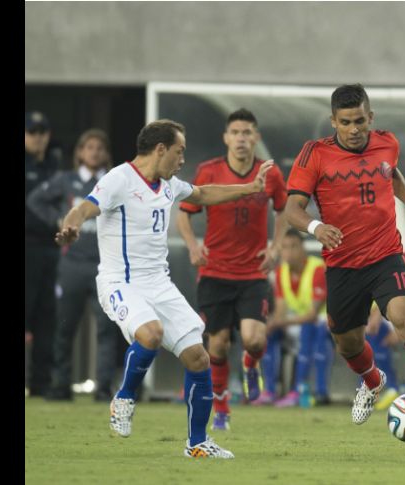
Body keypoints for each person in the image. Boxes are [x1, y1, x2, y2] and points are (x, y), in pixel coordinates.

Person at [56, 119, 273, 458]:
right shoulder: (119, 179)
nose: (182, 159)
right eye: (179, 151)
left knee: (198, 357)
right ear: (160, 150)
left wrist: (249, 188)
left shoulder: (168, 183)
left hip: (159, 284)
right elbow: (84, 207)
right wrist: (71, 225)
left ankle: (198, 443)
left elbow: (202, 193)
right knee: (151, 333)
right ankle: (124, 397)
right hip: (120, 282)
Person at [284, 84, 405, 435]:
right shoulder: (314, 154)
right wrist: (317, 228)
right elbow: (292, 210)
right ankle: (373, 379)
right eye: (345, 122)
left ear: (371, 118)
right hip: (343, 264)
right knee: (347, 343)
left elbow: (391, 174)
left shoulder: (388, 142)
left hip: (385, 255)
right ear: (333, 121)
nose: (353, 129)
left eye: (360, 121)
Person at [176, 109, 288, 430]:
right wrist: (193, 245)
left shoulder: (271, 174)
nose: (241, 138)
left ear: (257, 138)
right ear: (226, 137)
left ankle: (251, 365)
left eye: (248, 132)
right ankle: (222, 407)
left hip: (253, 272)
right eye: (236, 132)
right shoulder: (209, 171)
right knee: (218, 345)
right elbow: (185, 212)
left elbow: (283, 211)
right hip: (214, 272)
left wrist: (276, 245)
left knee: (253, 340)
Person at [27, 129, 119, 401]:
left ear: (106, 153)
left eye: (99, 148)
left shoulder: (113, 182)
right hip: (72, 265)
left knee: (107, 328)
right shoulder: (66, 180)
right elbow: (34, 200)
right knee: (64, 327)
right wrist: (58, 220)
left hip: (105, 266)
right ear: (79, 152)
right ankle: (61, 383)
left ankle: (103, 387)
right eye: (89, 147)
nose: (94, 152)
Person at [263, 228, 332, 406]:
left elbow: (312, 314)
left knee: (309, 330)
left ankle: (303, 391)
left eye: (294, 246)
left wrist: (281, 321)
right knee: (265, 334)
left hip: (323, 323)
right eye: (285, 247)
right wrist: (273, 323)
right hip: (295, 321)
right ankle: (269, 390)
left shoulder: (317, 269)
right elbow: (280, 309)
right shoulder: (280, 272)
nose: (289, 252)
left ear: (302, 248)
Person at [25, 111, 63, 397]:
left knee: (47, 315)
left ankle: (41, 382)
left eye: (42, 132)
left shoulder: (55, 166)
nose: (38, 137)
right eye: (32, 132)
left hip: (51, 249)